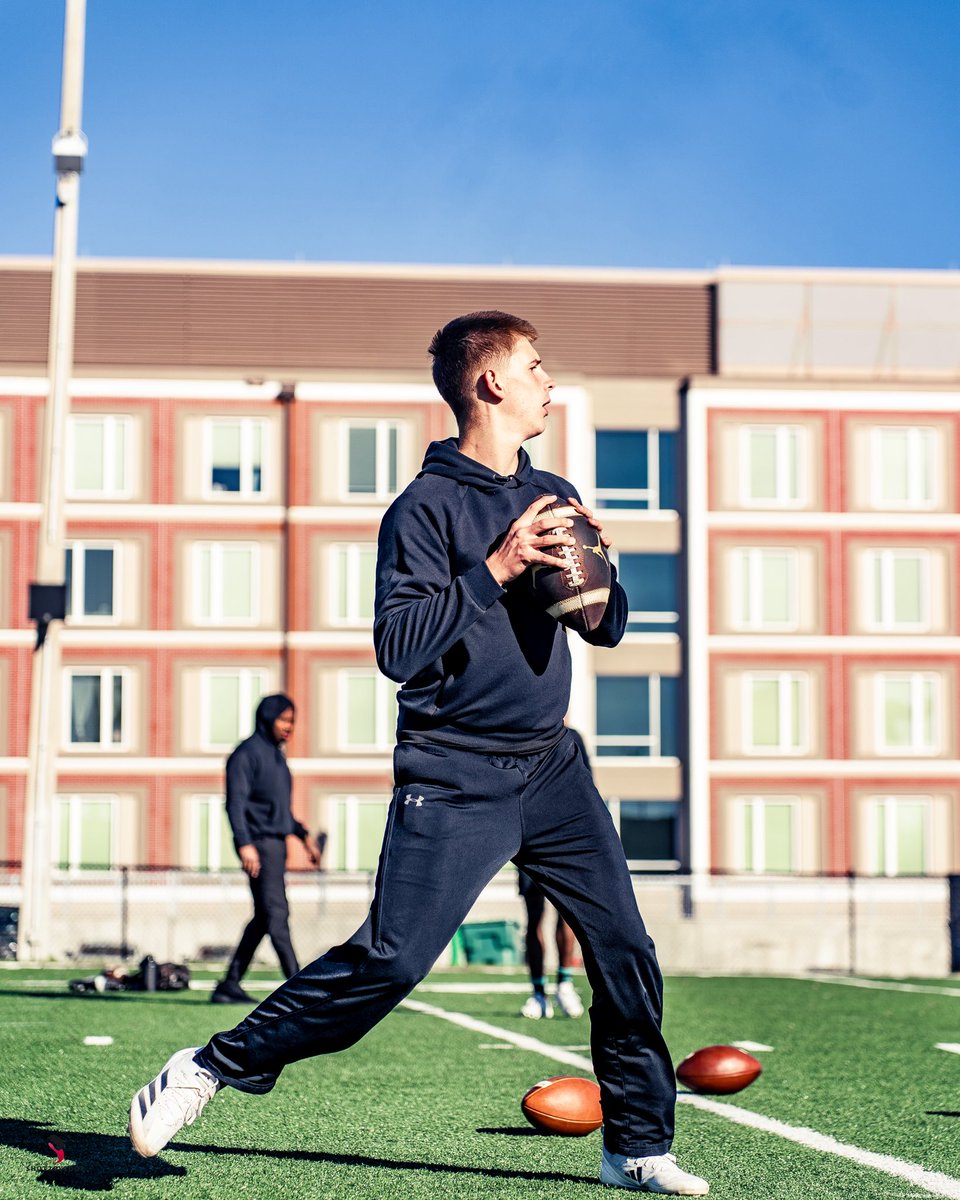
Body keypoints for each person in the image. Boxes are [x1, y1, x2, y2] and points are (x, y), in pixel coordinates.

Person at [129, 312, 709, 1195]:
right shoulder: (423, 509)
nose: (550, 383)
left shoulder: (551, 488)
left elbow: (608, 630)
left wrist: (600, 582)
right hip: (456, 770)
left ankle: (634, 1143)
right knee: (390, 961)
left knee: (624, 949)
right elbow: (399, 648)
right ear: (490, 386)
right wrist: (498, 569)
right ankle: (208, 1066)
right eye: (535, 367)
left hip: (553, 767)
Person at [210, 693, 322, 1005]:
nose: (289, 727)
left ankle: (229, 984)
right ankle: (299, 988)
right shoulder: (246, 755)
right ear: (267, 717)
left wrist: (303, 836)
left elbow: (280, 812)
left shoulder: (277, 757)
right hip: (258, 844)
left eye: (293, 721)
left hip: (276, 844)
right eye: (284, 719)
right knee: (277, 912)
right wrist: (245, 844)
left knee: (264, 917)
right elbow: (235, 804)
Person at [519, 729, 589, 1021]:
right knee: (534, 919)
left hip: (563, 840)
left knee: (568, 917)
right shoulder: (519, 737)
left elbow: (586, 788)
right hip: (528, 840)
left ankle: (564, 984)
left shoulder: (572, 739)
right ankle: (538, 993)